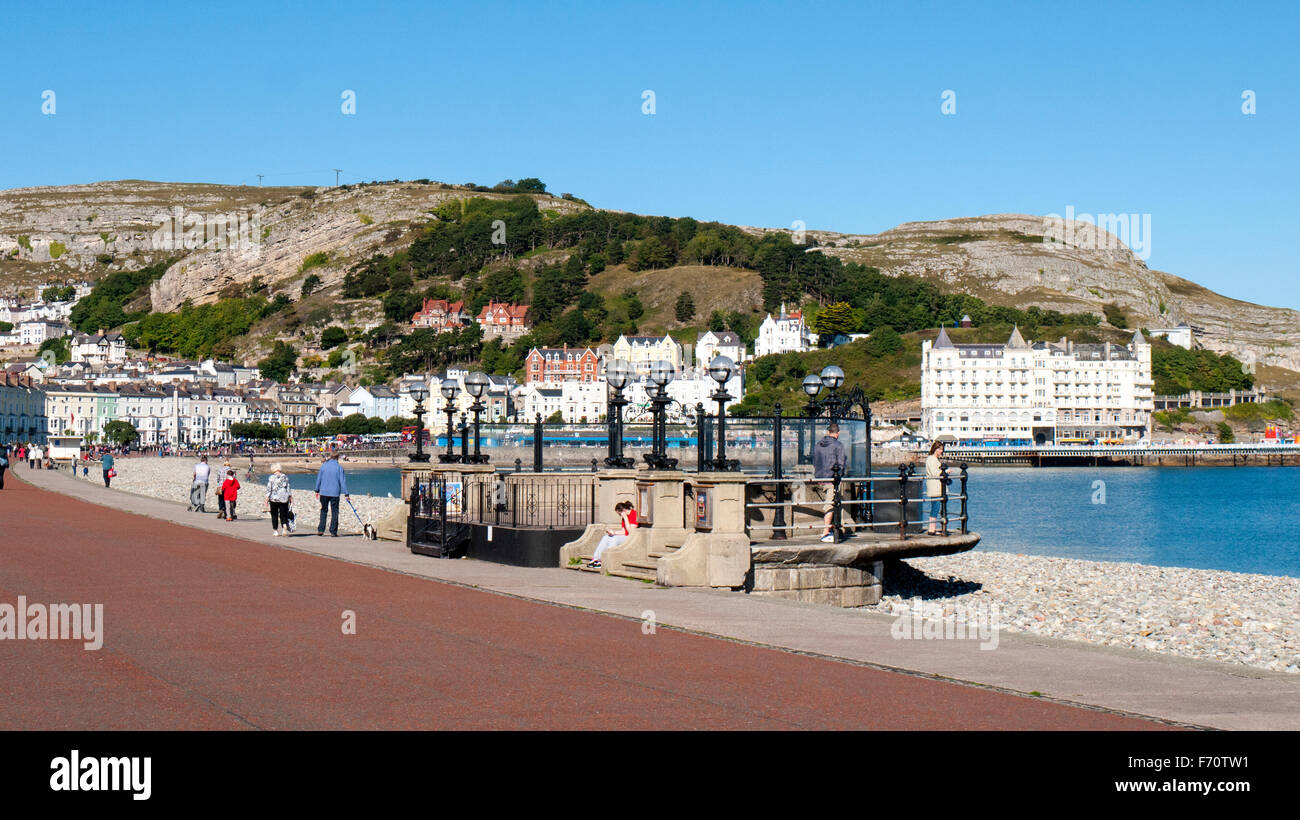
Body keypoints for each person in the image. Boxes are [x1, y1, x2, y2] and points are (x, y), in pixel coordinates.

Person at [812, 422, 847, 543]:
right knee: (830, 504)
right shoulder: (839, 445)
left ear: (828, 432)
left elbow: (815, 462)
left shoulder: (818, 445)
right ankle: (826, 532)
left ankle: (838, 528)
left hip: (820, 478)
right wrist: (839, 477)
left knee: (831, 503)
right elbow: (841, 464)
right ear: (837, 433)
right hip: (832, 480)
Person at [589, 501, 638, 569]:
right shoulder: (624, 517)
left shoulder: (634, 514)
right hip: (625, 535)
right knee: (606, 537)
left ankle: (605, 559)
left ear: (623, 511)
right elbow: (623, 531)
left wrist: (626, 518)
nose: (620, 516)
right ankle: (596, 558)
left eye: (619, 514)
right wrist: (613, 532)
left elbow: (630, 531)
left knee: (615, 539)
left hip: (631, 538)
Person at [314, 453, 349, 537]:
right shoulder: (339, 468)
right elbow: (342, 482)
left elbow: (319, 478)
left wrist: (316, 489)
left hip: (324, 492)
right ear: (337, 458)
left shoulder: (324, 466)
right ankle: (333, 531)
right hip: (335, 493)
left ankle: (321, 529)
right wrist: (346, 493)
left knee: (323, 510)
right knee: (335, 511)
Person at [265, 463, 293, 536]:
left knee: (274, 514)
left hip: (274, 498)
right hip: (284, 497)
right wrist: (290, 496)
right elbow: (288, 487)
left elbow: (269, 488)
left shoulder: (271, 478)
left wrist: (267, 497)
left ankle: (275, 531)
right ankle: (284, 525)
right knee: (283, 514)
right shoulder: (285, 477)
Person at [925, 441, 946, 535]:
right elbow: (935, 472)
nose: (941, 451)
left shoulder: (932, 459)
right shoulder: (932, 459)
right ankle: (931, 529)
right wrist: (945, 471)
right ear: (935, 449)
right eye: (939, 449)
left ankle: (932, 528)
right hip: (935, 486)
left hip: (935, 486)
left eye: (942, 449)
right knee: (935, 507)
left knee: (936, 507)